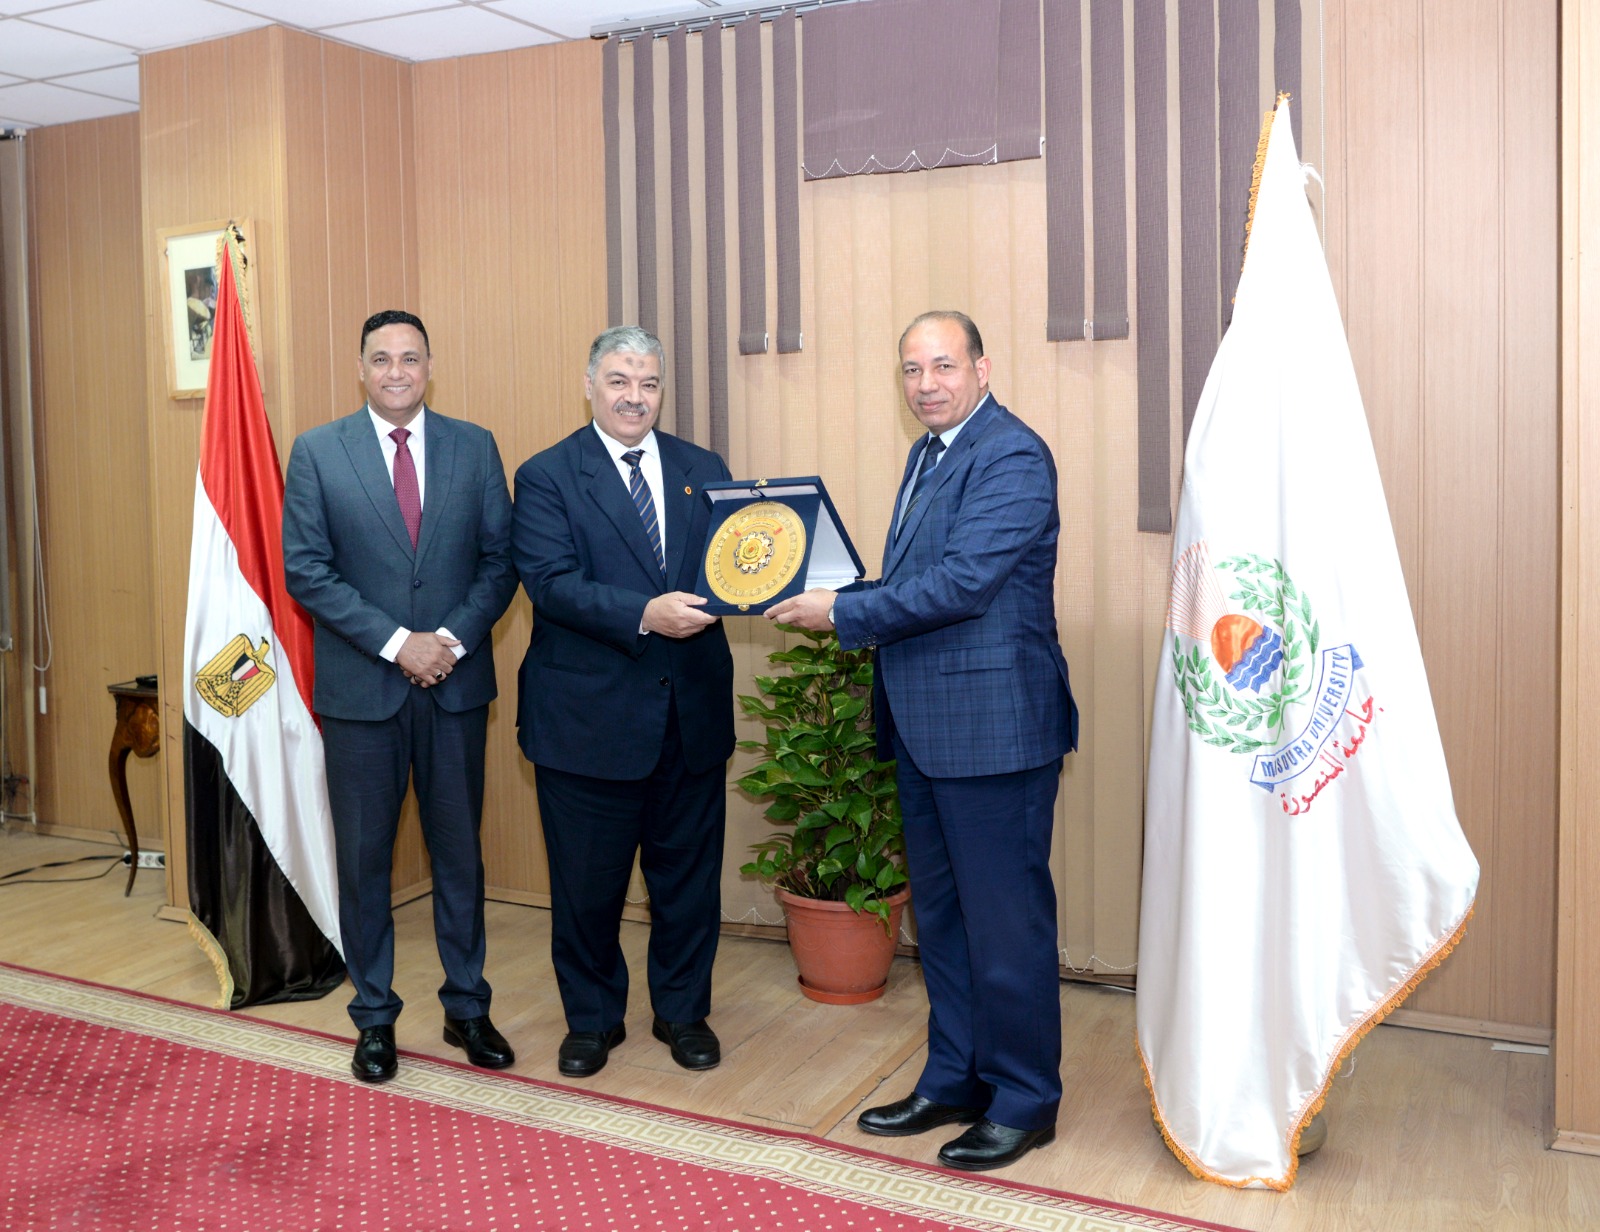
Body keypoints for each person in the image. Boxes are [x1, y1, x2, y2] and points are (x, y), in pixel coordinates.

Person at [766, 311, 1078, 1172]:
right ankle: (955, 1079)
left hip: (994, 732)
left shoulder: (1011, 455)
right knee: (941, 921)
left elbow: (965, 583)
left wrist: (844, 611)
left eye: (944, 365)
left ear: (983, 368)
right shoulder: (929, 454)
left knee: (1005, 926)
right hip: (925, 728)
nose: (927, 384)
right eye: (912, 369)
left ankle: (1024, 1100)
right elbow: (916, 579)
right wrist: (835, 589)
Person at [283, 309, 518, 1083]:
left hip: (454, 687)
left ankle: (467, 1007)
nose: (396, 371)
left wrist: (445, 640)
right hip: (362, 693)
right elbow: (307, 570)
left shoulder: (475, 446)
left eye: (410, 358)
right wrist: (397, 643)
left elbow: (500, 562)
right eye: (381, 359)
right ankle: (374, 1017)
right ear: (360, 368)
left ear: (429, 367)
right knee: (365, 862)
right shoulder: (318, 451)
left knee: (460, 856)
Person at [511, 325, 735, 1079]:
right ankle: (592, 1020)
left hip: (690, 717)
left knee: (688, 885)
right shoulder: (547, 475)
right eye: (618, 381)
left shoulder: (705, 470)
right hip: (588, 722)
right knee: (587, 889)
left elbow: (732, 566)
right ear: (589, 386)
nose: (634, 397)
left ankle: (683, 1012)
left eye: (648, 383)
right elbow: (550, 583)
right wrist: (645, 613)